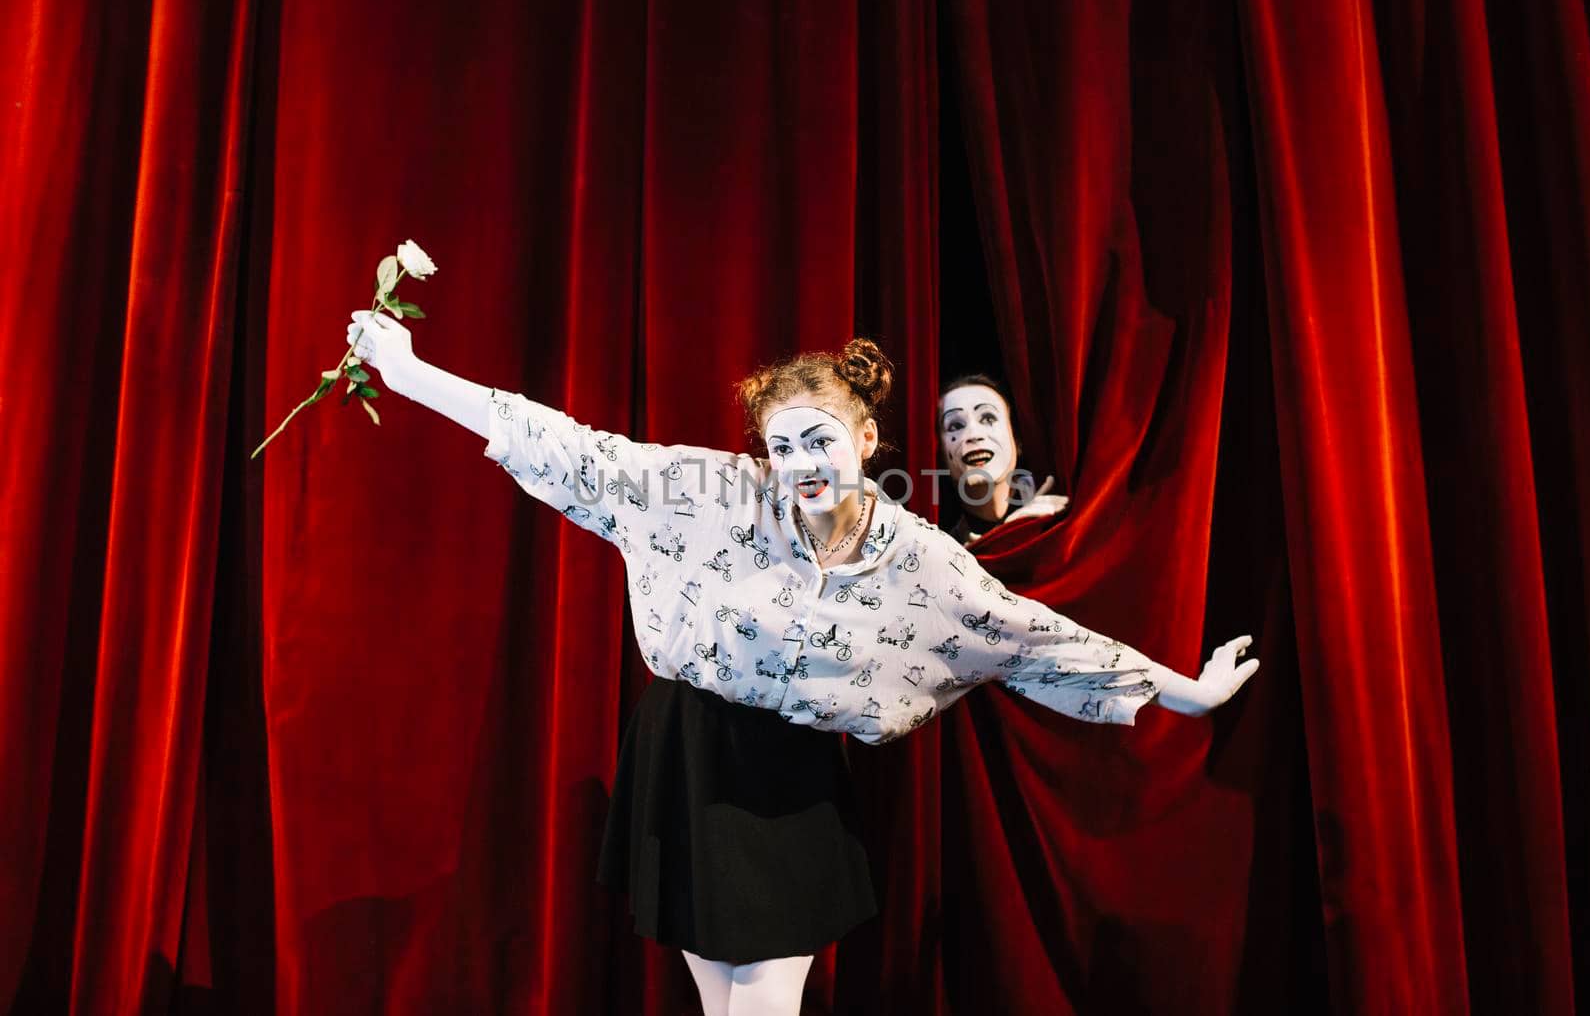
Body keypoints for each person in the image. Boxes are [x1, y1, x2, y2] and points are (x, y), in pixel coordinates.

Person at [344, 311, 1261, 1016]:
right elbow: (570, 449)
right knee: (725, 1004)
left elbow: (1030, 635)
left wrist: (1185, 689)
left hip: (788, 776)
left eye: (819, 439)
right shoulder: (713, 493)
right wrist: (411, 372)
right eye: (782, 446)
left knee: (768, 1005)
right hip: (687, 750)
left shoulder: (920, 557)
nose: (800, 463)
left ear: (866, 439)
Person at [938, 373, 1070, 546]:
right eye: (955, 426)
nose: (973, 435)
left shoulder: (1060, 502)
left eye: (988, 418)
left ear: (1017, 441)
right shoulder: (942, 546)